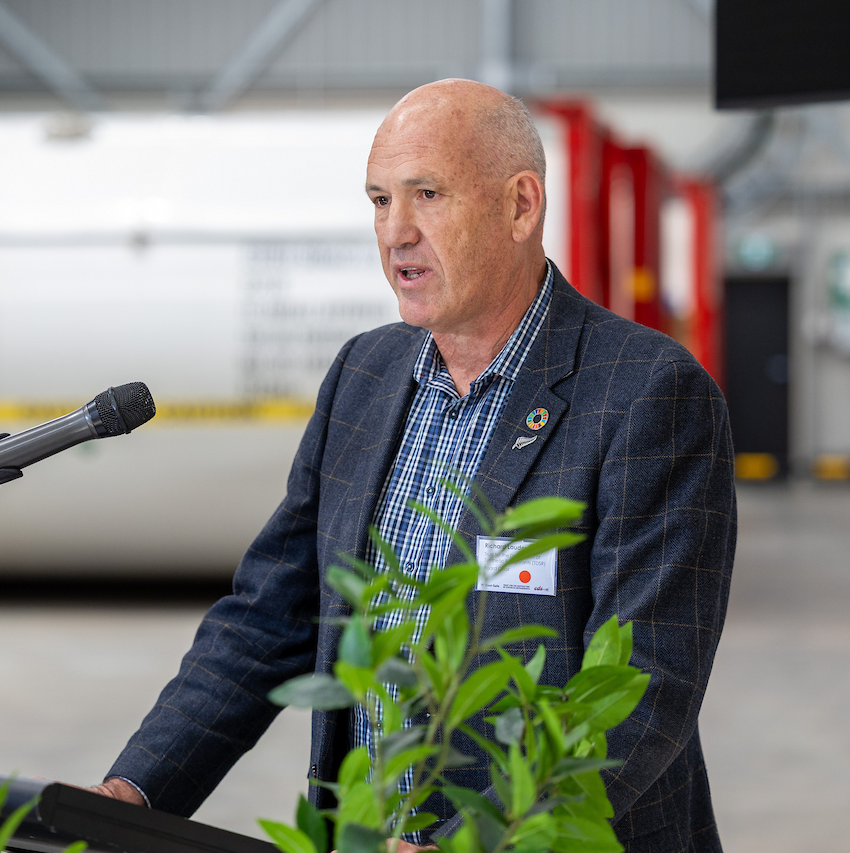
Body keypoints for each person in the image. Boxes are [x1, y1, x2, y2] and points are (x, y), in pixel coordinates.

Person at [87, 79, 736, 853]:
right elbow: (269, 616)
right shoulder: (363, 375)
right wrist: (134, 791)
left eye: (427, 195)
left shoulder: (648, 393)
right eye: (379, 200)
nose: (395, 232)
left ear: (521, 206)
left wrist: (465, 845)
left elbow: (640, 692)